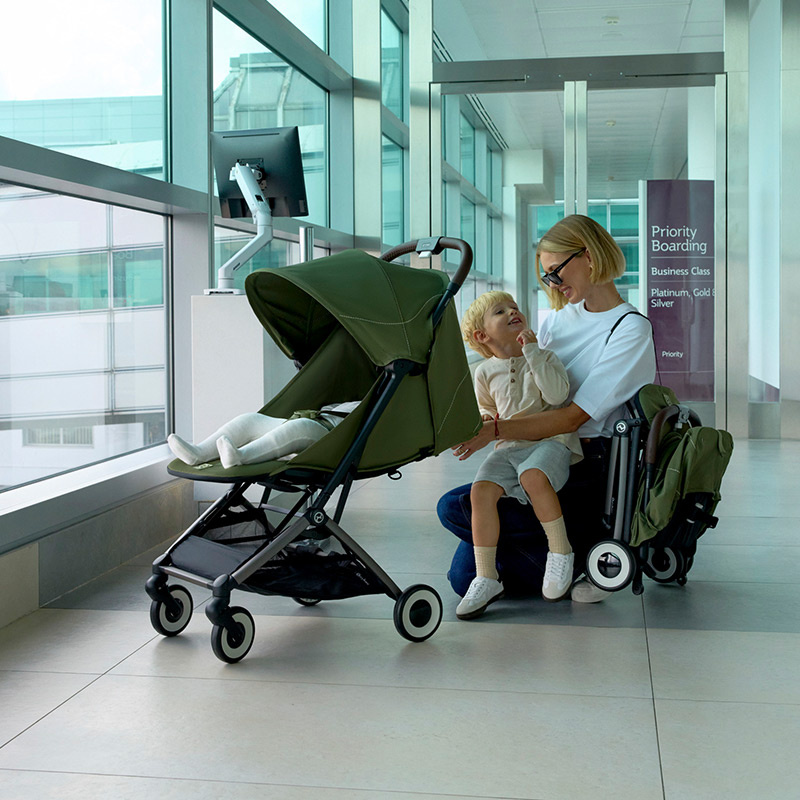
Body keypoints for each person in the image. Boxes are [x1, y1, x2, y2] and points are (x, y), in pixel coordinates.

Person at [442, 214, 656, 604]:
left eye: (556, 271)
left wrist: (495, 431)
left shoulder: (629, 330)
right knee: (462, 571)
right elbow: (526, 383)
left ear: (588, 256)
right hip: (530, 450)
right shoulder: (556, 320)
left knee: (455, 509)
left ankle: (576, 549)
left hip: (583, 463)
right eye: (547, 276)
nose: (553, 284)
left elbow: (573, 417)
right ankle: (571, 550)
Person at [455, 290, 583, 620]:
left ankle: (561, 552)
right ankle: (487, 577)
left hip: (551, 441)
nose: (513, 311)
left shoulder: (545, 356)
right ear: (482, 336)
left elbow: (557, 395)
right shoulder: (484, 372)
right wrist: (484, 418)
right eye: (500, 311)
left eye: (514, 307)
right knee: (480, 491)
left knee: (533, 476)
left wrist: (533, 353)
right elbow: (486, 408)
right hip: (509, 447)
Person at [168, 401, 360, 468]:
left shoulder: (372, 405)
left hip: (330, 439)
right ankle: (198, 454)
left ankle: (240, 457)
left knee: (301, 427)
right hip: (305, 421)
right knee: (250, 420)